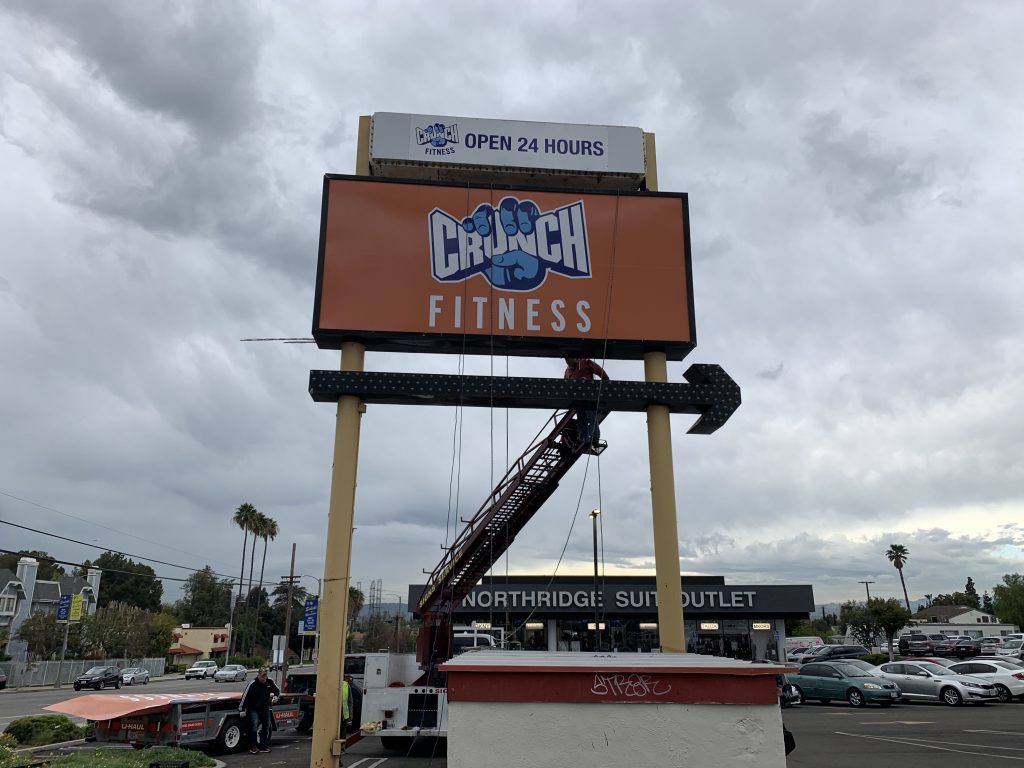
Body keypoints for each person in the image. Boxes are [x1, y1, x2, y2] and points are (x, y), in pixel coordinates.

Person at [563, 356, 609, 448]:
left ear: (575, 358)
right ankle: (583, 438)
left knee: (591, 416)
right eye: (568, 363)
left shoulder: (585, 362)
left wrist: (606, 382)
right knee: (581, 418)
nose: (570, 365)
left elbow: (600, 371)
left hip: (589, 395)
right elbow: (565, 384)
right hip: (578, 398)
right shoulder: (567, 371)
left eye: (570, 362)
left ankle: (594, 437)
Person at [239, 666, 280, 754]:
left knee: (266, 726)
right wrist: (241, 709)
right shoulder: (253, 684)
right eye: (262, 676)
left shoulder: (270, 682)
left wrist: (276, 696)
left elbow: (277, 690)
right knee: (254, 725)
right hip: (253, 708)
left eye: (265, 676)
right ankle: (253, 746)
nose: (263, 678)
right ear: (258, 675)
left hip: (265, 708)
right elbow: (245, 697)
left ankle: (263, 746)